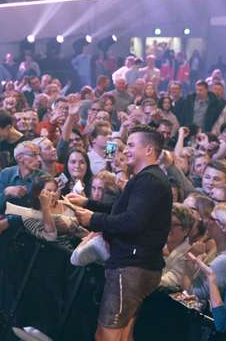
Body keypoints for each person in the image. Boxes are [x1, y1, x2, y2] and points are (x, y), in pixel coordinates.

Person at [70, 125, 173, 341]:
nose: (125, 150)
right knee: (123, 335)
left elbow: (132, 221)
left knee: (106, 335)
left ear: (149, 150)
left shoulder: (149, 180)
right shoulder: (147, 178)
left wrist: (92, 219)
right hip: (137, 267)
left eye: (132, 145)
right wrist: (88, 203)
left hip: (130, 268)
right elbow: (123, 210)